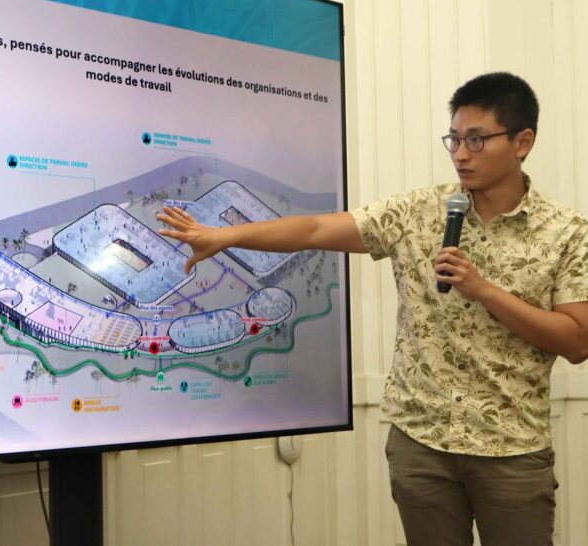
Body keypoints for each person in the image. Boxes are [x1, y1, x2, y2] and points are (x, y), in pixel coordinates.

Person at [156, 72, 588, 546]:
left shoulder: (566, 232)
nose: (461, 154)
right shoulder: (416, 212)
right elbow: (315, 230)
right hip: (421, 445)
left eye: (477, 140)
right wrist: (224, 237)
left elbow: (577, 341)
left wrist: (484, 290)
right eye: (454, 139)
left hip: (511, 450)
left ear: (523, 142)